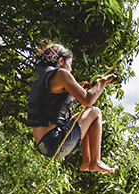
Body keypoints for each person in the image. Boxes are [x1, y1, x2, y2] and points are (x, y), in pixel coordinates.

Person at [27, 43, 117, 173]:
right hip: (55, 141)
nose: (71, 70)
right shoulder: (61, 74)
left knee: (85, 117)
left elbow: (52, 100)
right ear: (61, 61)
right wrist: (103, 82)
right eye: (70, 65)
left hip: (44, 145)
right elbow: (88, 100)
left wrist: (76, 88)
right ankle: (95, 161)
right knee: (95, 112)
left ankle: (87, 161)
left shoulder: (42, 75)